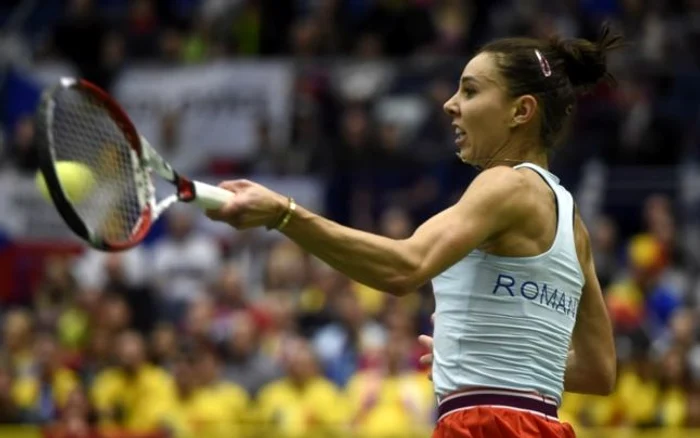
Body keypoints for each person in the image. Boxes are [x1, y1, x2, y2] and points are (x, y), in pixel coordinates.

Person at [207, 26, 622, 438]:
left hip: (487, 426)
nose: (449, 105)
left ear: (521, 111)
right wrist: (485, 359)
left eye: (470, 91)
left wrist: (284, 214)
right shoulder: (573, 222)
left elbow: (405, 267)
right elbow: (599, 371)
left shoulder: (506, 185)